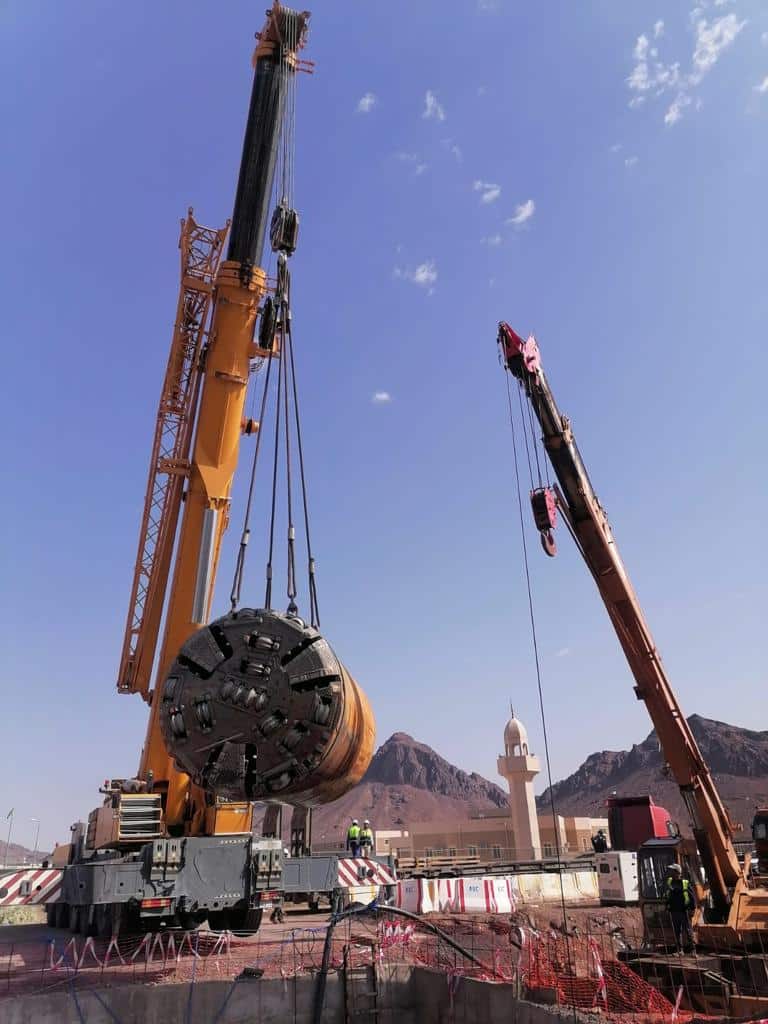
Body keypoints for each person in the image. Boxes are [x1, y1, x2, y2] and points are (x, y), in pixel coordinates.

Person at [665, 863, 695, 953]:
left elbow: (692, 897)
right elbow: (668, 895)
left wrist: (693, 908)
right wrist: (667, 906)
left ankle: (693, 950)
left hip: (684, 911)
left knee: (688, 930)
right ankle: (680, 950)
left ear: (677, 872)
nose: (670, 872)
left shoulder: (685, 883)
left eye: (672, 871)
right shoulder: (670, 882)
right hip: (674, 911)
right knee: (677, 931)